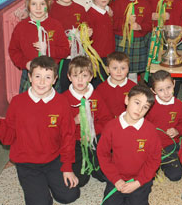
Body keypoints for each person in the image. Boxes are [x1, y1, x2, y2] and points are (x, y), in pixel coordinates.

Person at [0, 56, 80, 204]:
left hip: (53, 159)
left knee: (70, 196)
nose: (42, 82)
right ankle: (38, 186)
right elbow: (9, 137)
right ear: (30, 77)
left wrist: (67, 167)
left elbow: (68, 137)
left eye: (47, 77)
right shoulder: (18, 102)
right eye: (37, 76)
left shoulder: (62, 102)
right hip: (27, 163)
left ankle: (49, 182)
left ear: (55, 79)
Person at [97, 85, 161, 205]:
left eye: (145, 107)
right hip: (116, 177)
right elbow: (103, 155)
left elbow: (154, 159)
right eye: (137, 102)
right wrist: (116, 179)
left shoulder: (151, 131)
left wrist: (138, 182)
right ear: (127, 100)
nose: (140, 109)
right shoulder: (111, 127)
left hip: (141, 179)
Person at [8, 0, 69, 93]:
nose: (38, 8)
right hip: (29, 74)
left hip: (51, 74)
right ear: (28, 6)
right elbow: (14, 50)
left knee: (52, 107)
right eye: (34, 4)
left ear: (48, 5)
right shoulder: (21, 27)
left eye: (42, 4)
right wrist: (25, 63)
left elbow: (65, 50)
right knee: (28, 107)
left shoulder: (55, 25)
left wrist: (48, 49)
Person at [63, 56, 111, 187]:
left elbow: (107, 120)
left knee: (104, 175)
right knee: (80, 180)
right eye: (75, 75)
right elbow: (59, 128)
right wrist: (74, 121)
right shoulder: (64, 99)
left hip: (94, 138)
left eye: (84, 75)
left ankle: (97, 165)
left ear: (90, 77)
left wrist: (94, 132)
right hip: (75, 141)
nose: (80, 80)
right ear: (69, 77)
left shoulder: (96, 96)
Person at [49, 0, 88, 92]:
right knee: (58, 89)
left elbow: (85, 32)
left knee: (75, 89)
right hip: (58, 60)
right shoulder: (49, 10)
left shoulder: (80, 9)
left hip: (76, 59)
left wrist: (86, 34)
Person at [147, 70, 182, 181]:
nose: (166, 93)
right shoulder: (149, 105)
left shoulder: (179, 105)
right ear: (153, 91)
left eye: (168, 87)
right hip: (150, 146)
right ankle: (157, 162)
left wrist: (177, 130)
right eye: (160, 90)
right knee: (146, 176)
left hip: (169, 145)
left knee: (175, 176)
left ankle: (163, 163)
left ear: (174, 83)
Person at [113, 0, 152, 79]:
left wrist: (140, 27)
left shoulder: (145, 3)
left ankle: (132, 91)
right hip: (122, 42)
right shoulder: (117, 3)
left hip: (138, 42)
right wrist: (126, 23)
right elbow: (113, 24)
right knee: (120, 69)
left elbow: (149, 24)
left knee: (133, 72)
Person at [86, 0, 115, 87]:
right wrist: (91, 59)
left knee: (109, 85)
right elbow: (87, 41)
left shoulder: (109, 11)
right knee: (98, 86)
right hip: (97, 58)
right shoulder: (89, 15)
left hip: (110, 56)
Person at [95, 51, 136, 119]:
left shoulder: (134, 87)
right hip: (106, 124)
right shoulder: (101, 89)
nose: (119, 71)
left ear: (128, 69)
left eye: (123, 68)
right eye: (115, 68)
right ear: (108, 69)